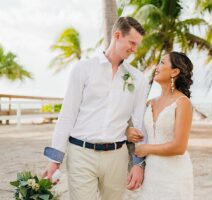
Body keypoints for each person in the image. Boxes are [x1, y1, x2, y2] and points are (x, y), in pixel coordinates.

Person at [42, 16, 148, 200]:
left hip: (117, 156)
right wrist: (55, 160)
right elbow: (67, 115)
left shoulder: (138, 78)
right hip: (80, 154)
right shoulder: (83, 69)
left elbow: (140, 122)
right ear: (117, 35)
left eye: (137, 45)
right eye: (131, 42)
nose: (134, 49)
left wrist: (139, 164)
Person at [128, 52, 194, 200]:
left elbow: (179, 147)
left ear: (175, 72)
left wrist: (146, 149)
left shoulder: (182, 102)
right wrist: (129, 132)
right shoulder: (150, 103)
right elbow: (140, 134)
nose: (157, 67)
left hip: (175, 176)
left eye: (162, 63)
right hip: (152, 173)